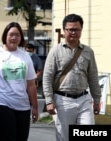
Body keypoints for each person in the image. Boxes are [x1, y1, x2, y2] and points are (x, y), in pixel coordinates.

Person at [42, 13, 101, 141]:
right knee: (64, 137)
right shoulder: (55, 51)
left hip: (84, 99)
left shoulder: (88, 51)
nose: (74, 32)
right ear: (64, 30)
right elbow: (47, 77)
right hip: (63, 101)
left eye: (77, 29)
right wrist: (49, 101)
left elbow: (93, 77)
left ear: (81, 30)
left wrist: (97, 100)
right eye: (71, 29)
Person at [0, 22, 38, 141]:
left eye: (17, 35)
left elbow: (31, 85)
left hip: (23, 106)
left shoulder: (25, 56)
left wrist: (35, 107)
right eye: (11, 34)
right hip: (0, 103)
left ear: (21, 37)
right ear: (5, 36)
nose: (14, 38)